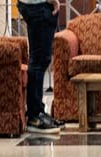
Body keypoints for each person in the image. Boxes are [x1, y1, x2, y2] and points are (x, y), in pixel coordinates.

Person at [19, 0, 63, 134]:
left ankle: (39, 111)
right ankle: (34, 116)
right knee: (38, 61)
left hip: (38, 6)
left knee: (41, 60)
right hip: (38, 6)